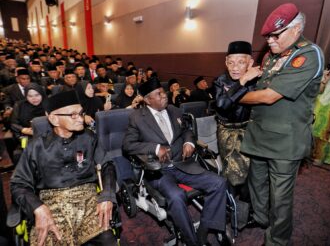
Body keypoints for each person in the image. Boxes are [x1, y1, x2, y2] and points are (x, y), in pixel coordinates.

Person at [238, 3, 324, 246]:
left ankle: (277, 239)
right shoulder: (271, 57)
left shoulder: (307, 54)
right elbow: (258, 87)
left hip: (285, 141)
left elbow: (269, 95)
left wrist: (232, 95)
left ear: (296, 30)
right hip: (259, 135)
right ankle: (261, 217)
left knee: (281, 195)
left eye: (276, 35)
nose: (270, 41)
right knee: (257, 184)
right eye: (267, 36)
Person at [123, 76, 227, 246]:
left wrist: (188, 142)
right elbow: (128, 145)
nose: (164, 96)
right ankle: (191, 241)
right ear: (148, 100)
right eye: (159, 94)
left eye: (163, 92)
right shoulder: (137, 118)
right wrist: (156, 148)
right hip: (159, 171)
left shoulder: (174, 110)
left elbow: (187, 131)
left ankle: (205, 230)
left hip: (183, 164)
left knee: (219, 182)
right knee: (177, 196)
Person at [10, 90, 117, 246]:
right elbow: (18, 184)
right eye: (73, 115)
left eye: (81, 113)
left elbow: (107, 165)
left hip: (88, 202)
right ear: (54, 119)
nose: (80, 118)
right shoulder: (37, 146)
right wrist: (38, 208)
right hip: (51, 205)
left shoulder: (89, 138)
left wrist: (107, 194)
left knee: (108, 241)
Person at [214, 41, 260, 198]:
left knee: (252, 171)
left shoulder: (257, 80)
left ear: (250, 63)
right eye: (231, 62)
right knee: (232, 172)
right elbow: (222, 104)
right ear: (226, 62)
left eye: (241, 62)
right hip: (228, 131)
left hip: (250, 129)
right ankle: (230, 208)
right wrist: (243, 80)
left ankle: (246, 207)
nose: (235, 67)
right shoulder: (221, 81)